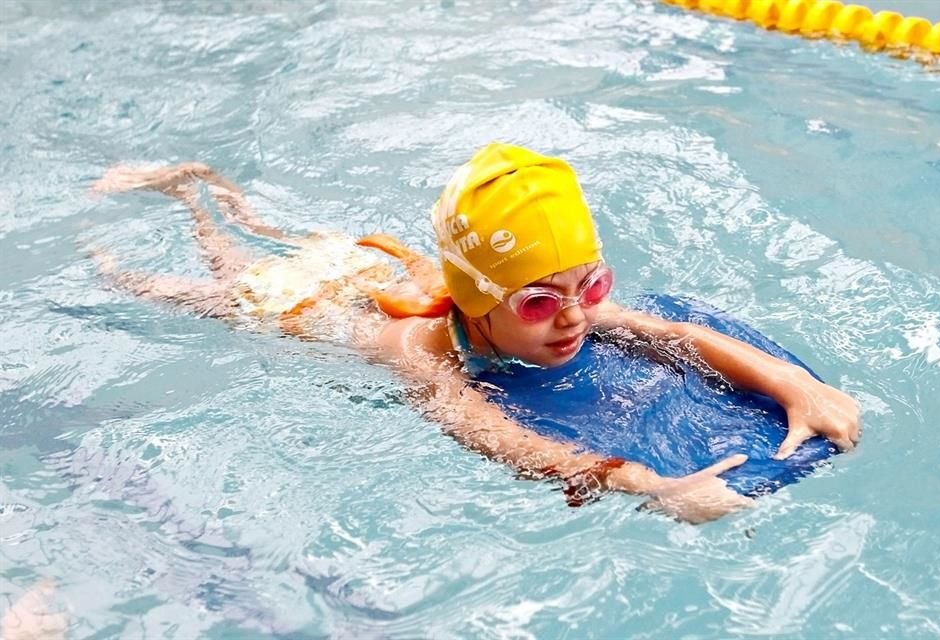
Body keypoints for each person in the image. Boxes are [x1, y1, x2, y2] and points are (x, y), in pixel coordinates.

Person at [90, 143, 860, 523]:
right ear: (477, 306)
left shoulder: (563, 306)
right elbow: (486, 428)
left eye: (589, 285)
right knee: (219, 272)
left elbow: (674, 333)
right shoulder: (421, 352)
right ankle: (164, 208)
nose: (572, 317)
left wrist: (796, 385)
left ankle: (203, 187)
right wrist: (639, 481)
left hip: (380, 273)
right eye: (537, 302)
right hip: (306, 309)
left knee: (267, 227)